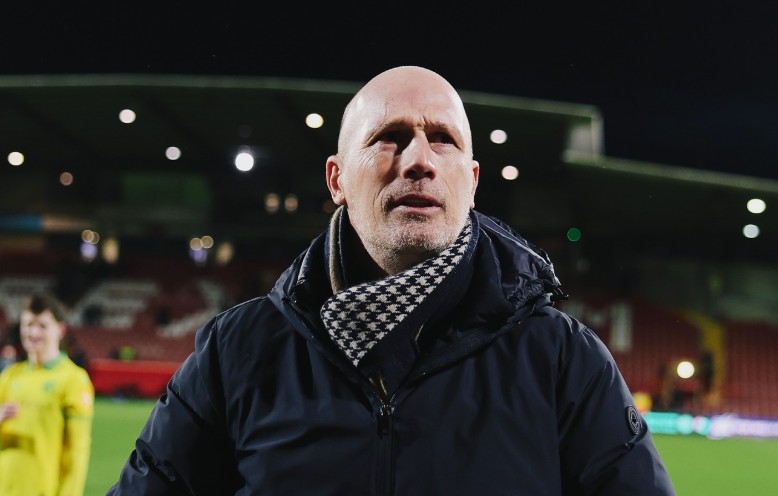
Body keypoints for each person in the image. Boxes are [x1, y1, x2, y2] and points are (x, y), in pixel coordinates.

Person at [107, 66, 676, 495]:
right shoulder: (237, 351)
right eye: (390, 136)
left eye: (443, 139)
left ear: (472, 181)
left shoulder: (562, 360)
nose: (419, 160)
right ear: (336, 179)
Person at [0, 293, 95, 496]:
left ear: (60, 330)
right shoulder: (9, 376)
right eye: (28, 325)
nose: (33, 333)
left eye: (42, 326)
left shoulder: (73, 379)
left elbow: (77, 451)